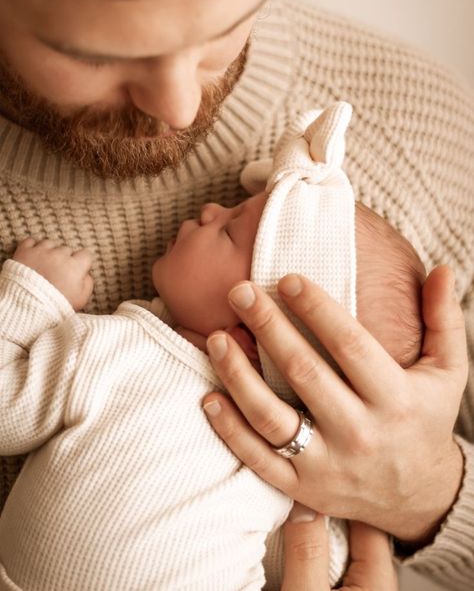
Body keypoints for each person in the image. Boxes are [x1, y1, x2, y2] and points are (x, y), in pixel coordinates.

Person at [0, 0, 472, 589]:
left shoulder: (424, 127)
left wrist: (430, 490)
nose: (180, 108)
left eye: (227, 24)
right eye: (94, 52)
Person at [0, 102, 415, 590]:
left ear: (251, 335)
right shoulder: (286, 465)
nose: (210, 209)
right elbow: (316, 563)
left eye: (228, 230)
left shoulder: (120, 352)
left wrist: (33, 295)